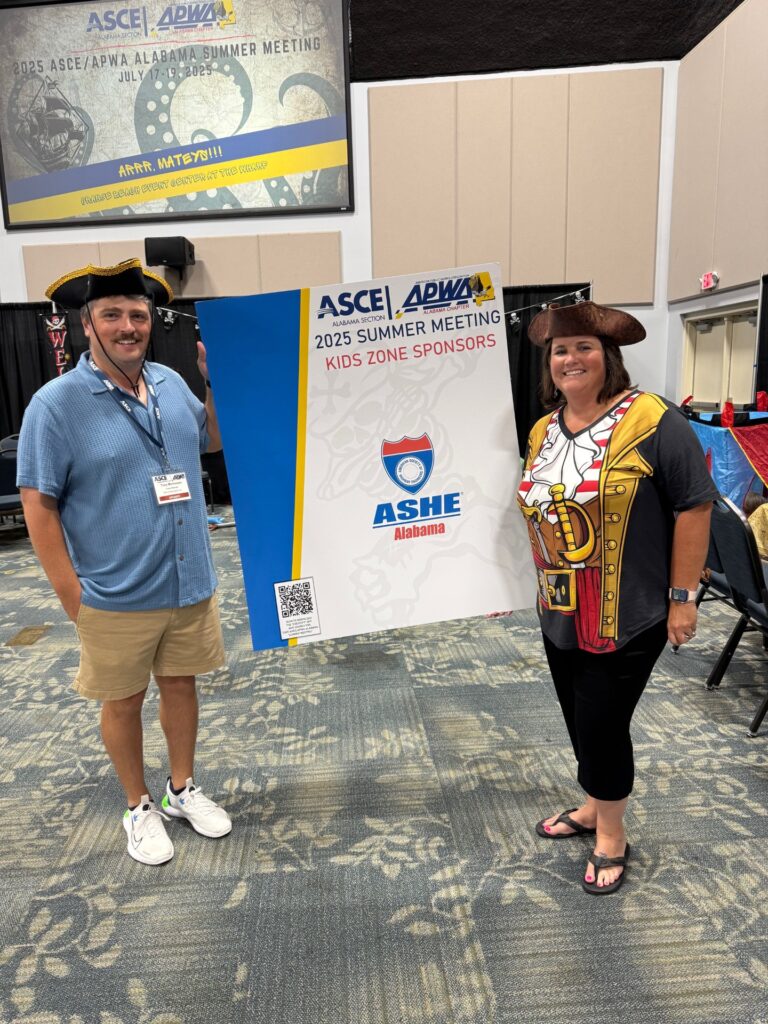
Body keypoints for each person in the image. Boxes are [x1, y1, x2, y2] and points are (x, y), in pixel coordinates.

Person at [17, 259, 232, 866]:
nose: (127, 326)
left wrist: (215, 385)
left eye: (137, 314)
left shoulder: (169, 382)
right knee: (123, 700)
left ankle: (180, 789)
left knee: (181, 685)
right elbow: (37, 504)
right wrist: (72, 596)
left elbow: (211, 441)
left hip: (187, 578)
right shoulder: (55, 405)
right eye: (111, 315)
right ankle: (137, 805)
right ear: (88, 325)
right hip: (114, 589)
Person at [518, 300, 718, 894]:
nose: (570, 359)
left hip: (626, 611)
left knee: (603, 723)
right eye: (560, 350)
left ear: (608, 356)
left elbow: (695, 505)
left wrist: (684, 597)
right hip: (559, 606)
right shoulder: (543, 430)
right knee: (579, 716)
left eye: (584, 347)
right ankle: (592, 804)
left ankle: (611, 832)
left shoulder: (653, 419)